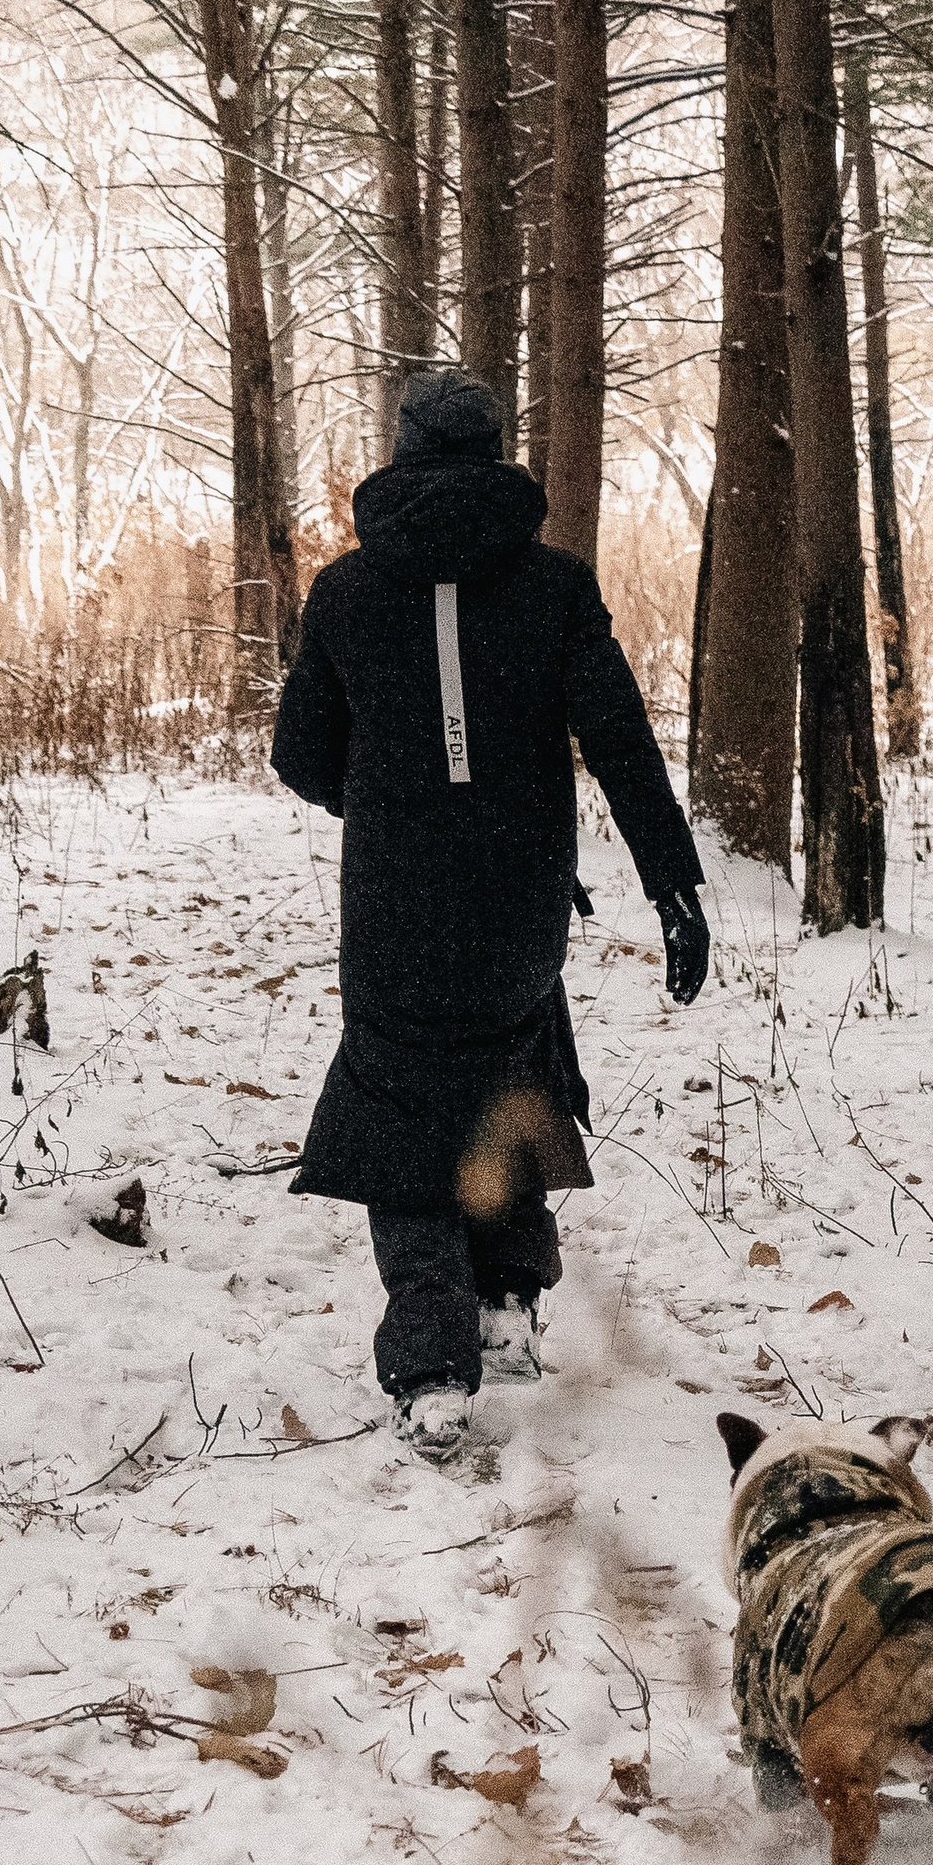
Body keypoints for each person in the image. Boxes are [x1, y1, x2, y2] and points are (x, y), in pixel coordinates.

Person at [271, 368, 709, 1459]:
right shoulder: (555, 586)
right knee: (509, 1072)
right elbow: (618, 742)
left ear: (405, 452)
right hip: (518, 898)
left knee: (401, 1111)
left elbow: (298, 755)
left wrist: (383, 800)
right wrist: (672, 885)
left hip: (394, 896)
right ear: (495, 451)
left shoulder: (344, 592)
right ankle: (508, 1300)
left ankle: (430, 1369)